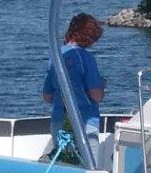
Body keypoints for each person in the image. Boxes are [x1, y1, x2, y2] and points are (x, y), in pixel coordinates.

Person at [41, 12, 105, 160]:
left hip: (59, 120)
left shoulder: (55, 58)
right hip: (85, 121)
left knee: (64, 166)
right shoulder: (86, 59)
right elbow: (96, 95)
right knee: (89, 169)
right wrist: (102, 88)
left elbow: (47, 96)